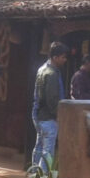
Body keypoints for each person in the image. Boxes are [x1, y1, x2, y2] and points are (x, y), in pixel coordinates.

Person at [32, 41, 69, 170]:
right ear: (55, 57)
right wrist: (58, 115)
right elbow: (52, 99)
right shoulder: (52, 74)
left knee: (39, 147)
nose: (65, 60)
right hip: (49, 117)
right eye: (63, 57)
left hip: (39, 115)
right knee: (48, 151)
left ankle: (34, 177)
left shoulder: (41, 69)